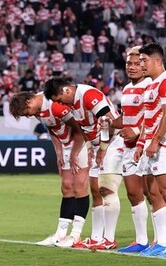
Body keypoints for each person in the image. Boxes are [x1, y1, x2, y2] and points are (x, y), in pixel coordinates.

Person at [44, 77, 119, 250]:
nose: (60, 105)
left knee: (106, 189)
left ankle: (109, 239)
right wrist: (90, 146)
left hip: (113, 143)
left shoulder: (88, 95)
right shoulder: (72, 103)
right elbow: (85, 128)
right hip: (98, 146)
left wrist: (102, 148)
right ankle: (96, 237)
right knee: (95, 190)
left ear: (66, 91)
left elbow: (108, 122)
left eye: (59, 100)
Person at [9, 91, 87, 247]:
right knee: (66, 187)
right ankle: (60, 234)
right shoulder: (38, 111)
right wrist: (59, 153)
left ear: (29, 102)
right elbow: (52, 129)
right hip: (66, 145)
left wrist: (73, 154)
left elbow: (79, 129)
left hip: (82, 142)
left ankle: (75, 234)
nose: (28, 116)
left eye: (26, 113)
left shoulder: (55, 105)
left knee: (79, 186)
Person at [133, 42, 166, 258]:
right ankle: (162, 242)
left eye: (144, 60)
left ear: (157, 61)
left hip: (165, 143)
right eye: (140, 61)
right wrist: (141, 143)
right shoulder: (150, 84)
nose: (141, 65)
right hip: (150, 143)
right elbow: (147, 118)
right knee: (151, 192)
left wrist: (154, 140)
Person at [112, 47, 156, 253]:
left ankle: (160, 241)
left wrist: (137, 132)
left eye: (137, 63)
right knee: (133, 193)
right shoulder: (127, 88)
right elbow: (127, 118)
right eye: (129, 63)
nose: (132, 67)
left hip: (146, 146)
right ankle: (141, 240)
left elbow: (152, 116)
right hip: (128, 147)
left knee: (152, 193)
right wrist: (110, 122)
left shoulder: (150, 85)